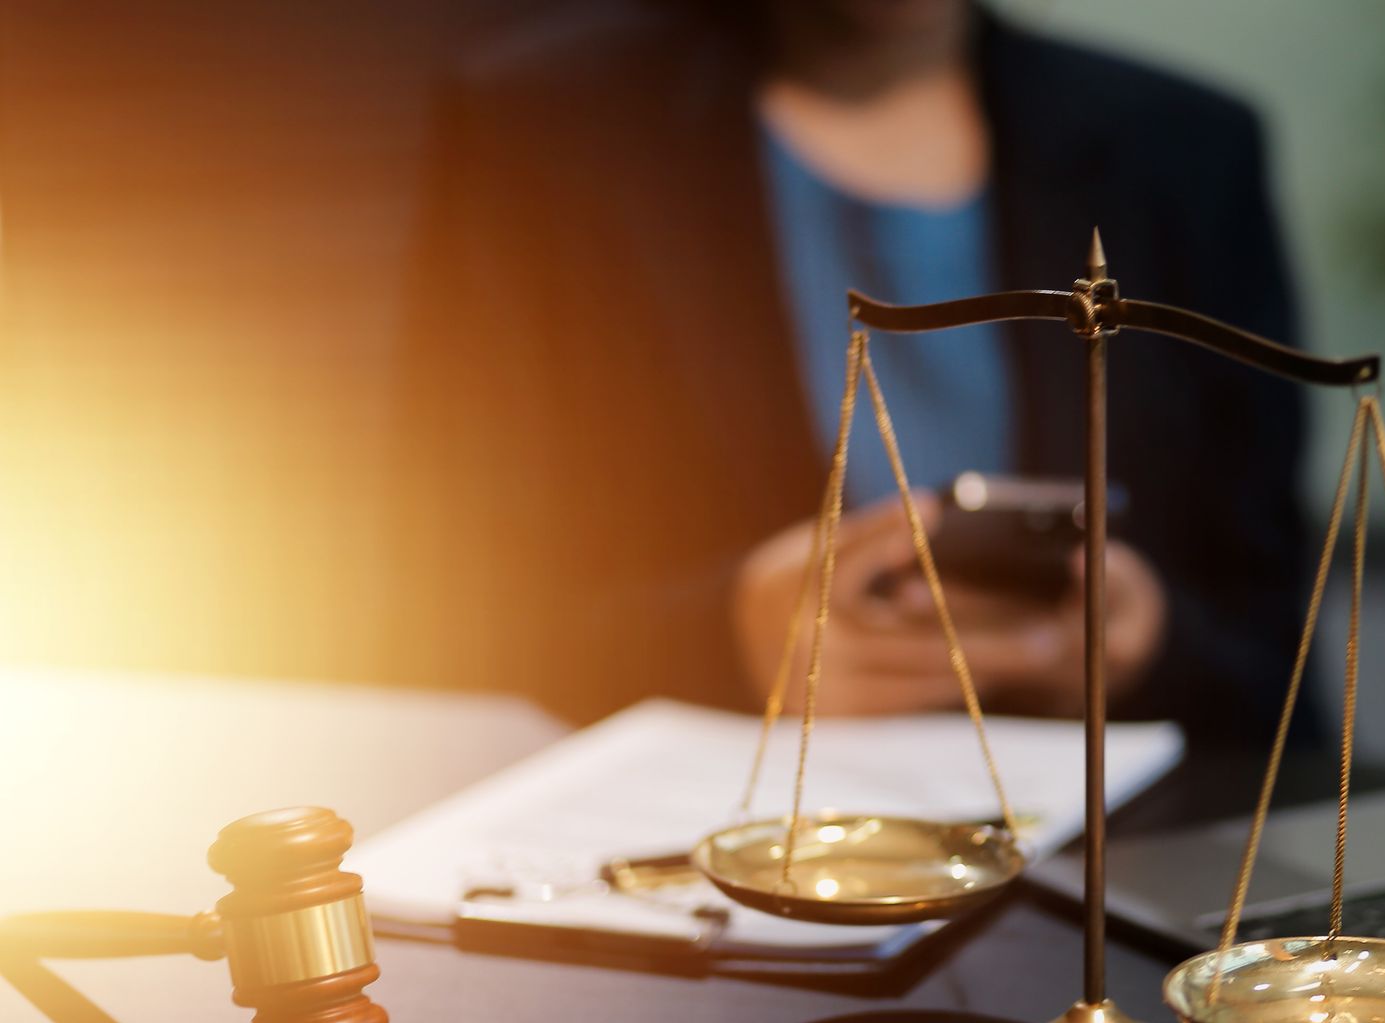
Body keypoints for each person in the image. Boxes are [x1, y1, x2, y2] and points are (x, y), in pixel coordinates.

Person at [390, 0, 1313, 738]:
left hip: (1107, 838)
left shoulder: (1183, 149)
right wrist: (724, 637)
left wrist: (1149, 643)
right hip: (722, 829)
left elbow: (1274, 653)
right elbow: (435, 611)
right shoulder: (550, 125)